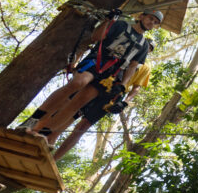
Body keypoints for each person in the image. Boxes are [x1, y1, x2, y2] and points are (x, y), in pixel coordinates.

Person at [21, 10, 160, 141]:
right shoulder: (121, 25)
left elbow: (132, 66)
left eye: (155, 22)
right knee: (78, 83)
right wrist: (108, 20)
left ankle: (42, 132)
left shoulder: (143, 46)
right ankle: (34, 119)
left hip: (111, 74)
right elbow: (96, 37)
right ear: (141, 16)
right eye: (150, 18)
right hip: (97, 60)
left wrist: (123, 85)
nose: (151, 23)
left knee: (79, 102)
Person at [51, 62, 151, 161]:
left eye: (150, 48)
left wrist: (125, 102)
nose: (148, 49)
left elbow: (136, 87)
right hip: (103, 81)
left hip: (115, 95)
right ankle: (50, 140)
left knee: (83, 126)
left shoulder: (146, 67)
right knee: (73, 111)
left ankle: (54, 159)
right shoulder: (130, 52)